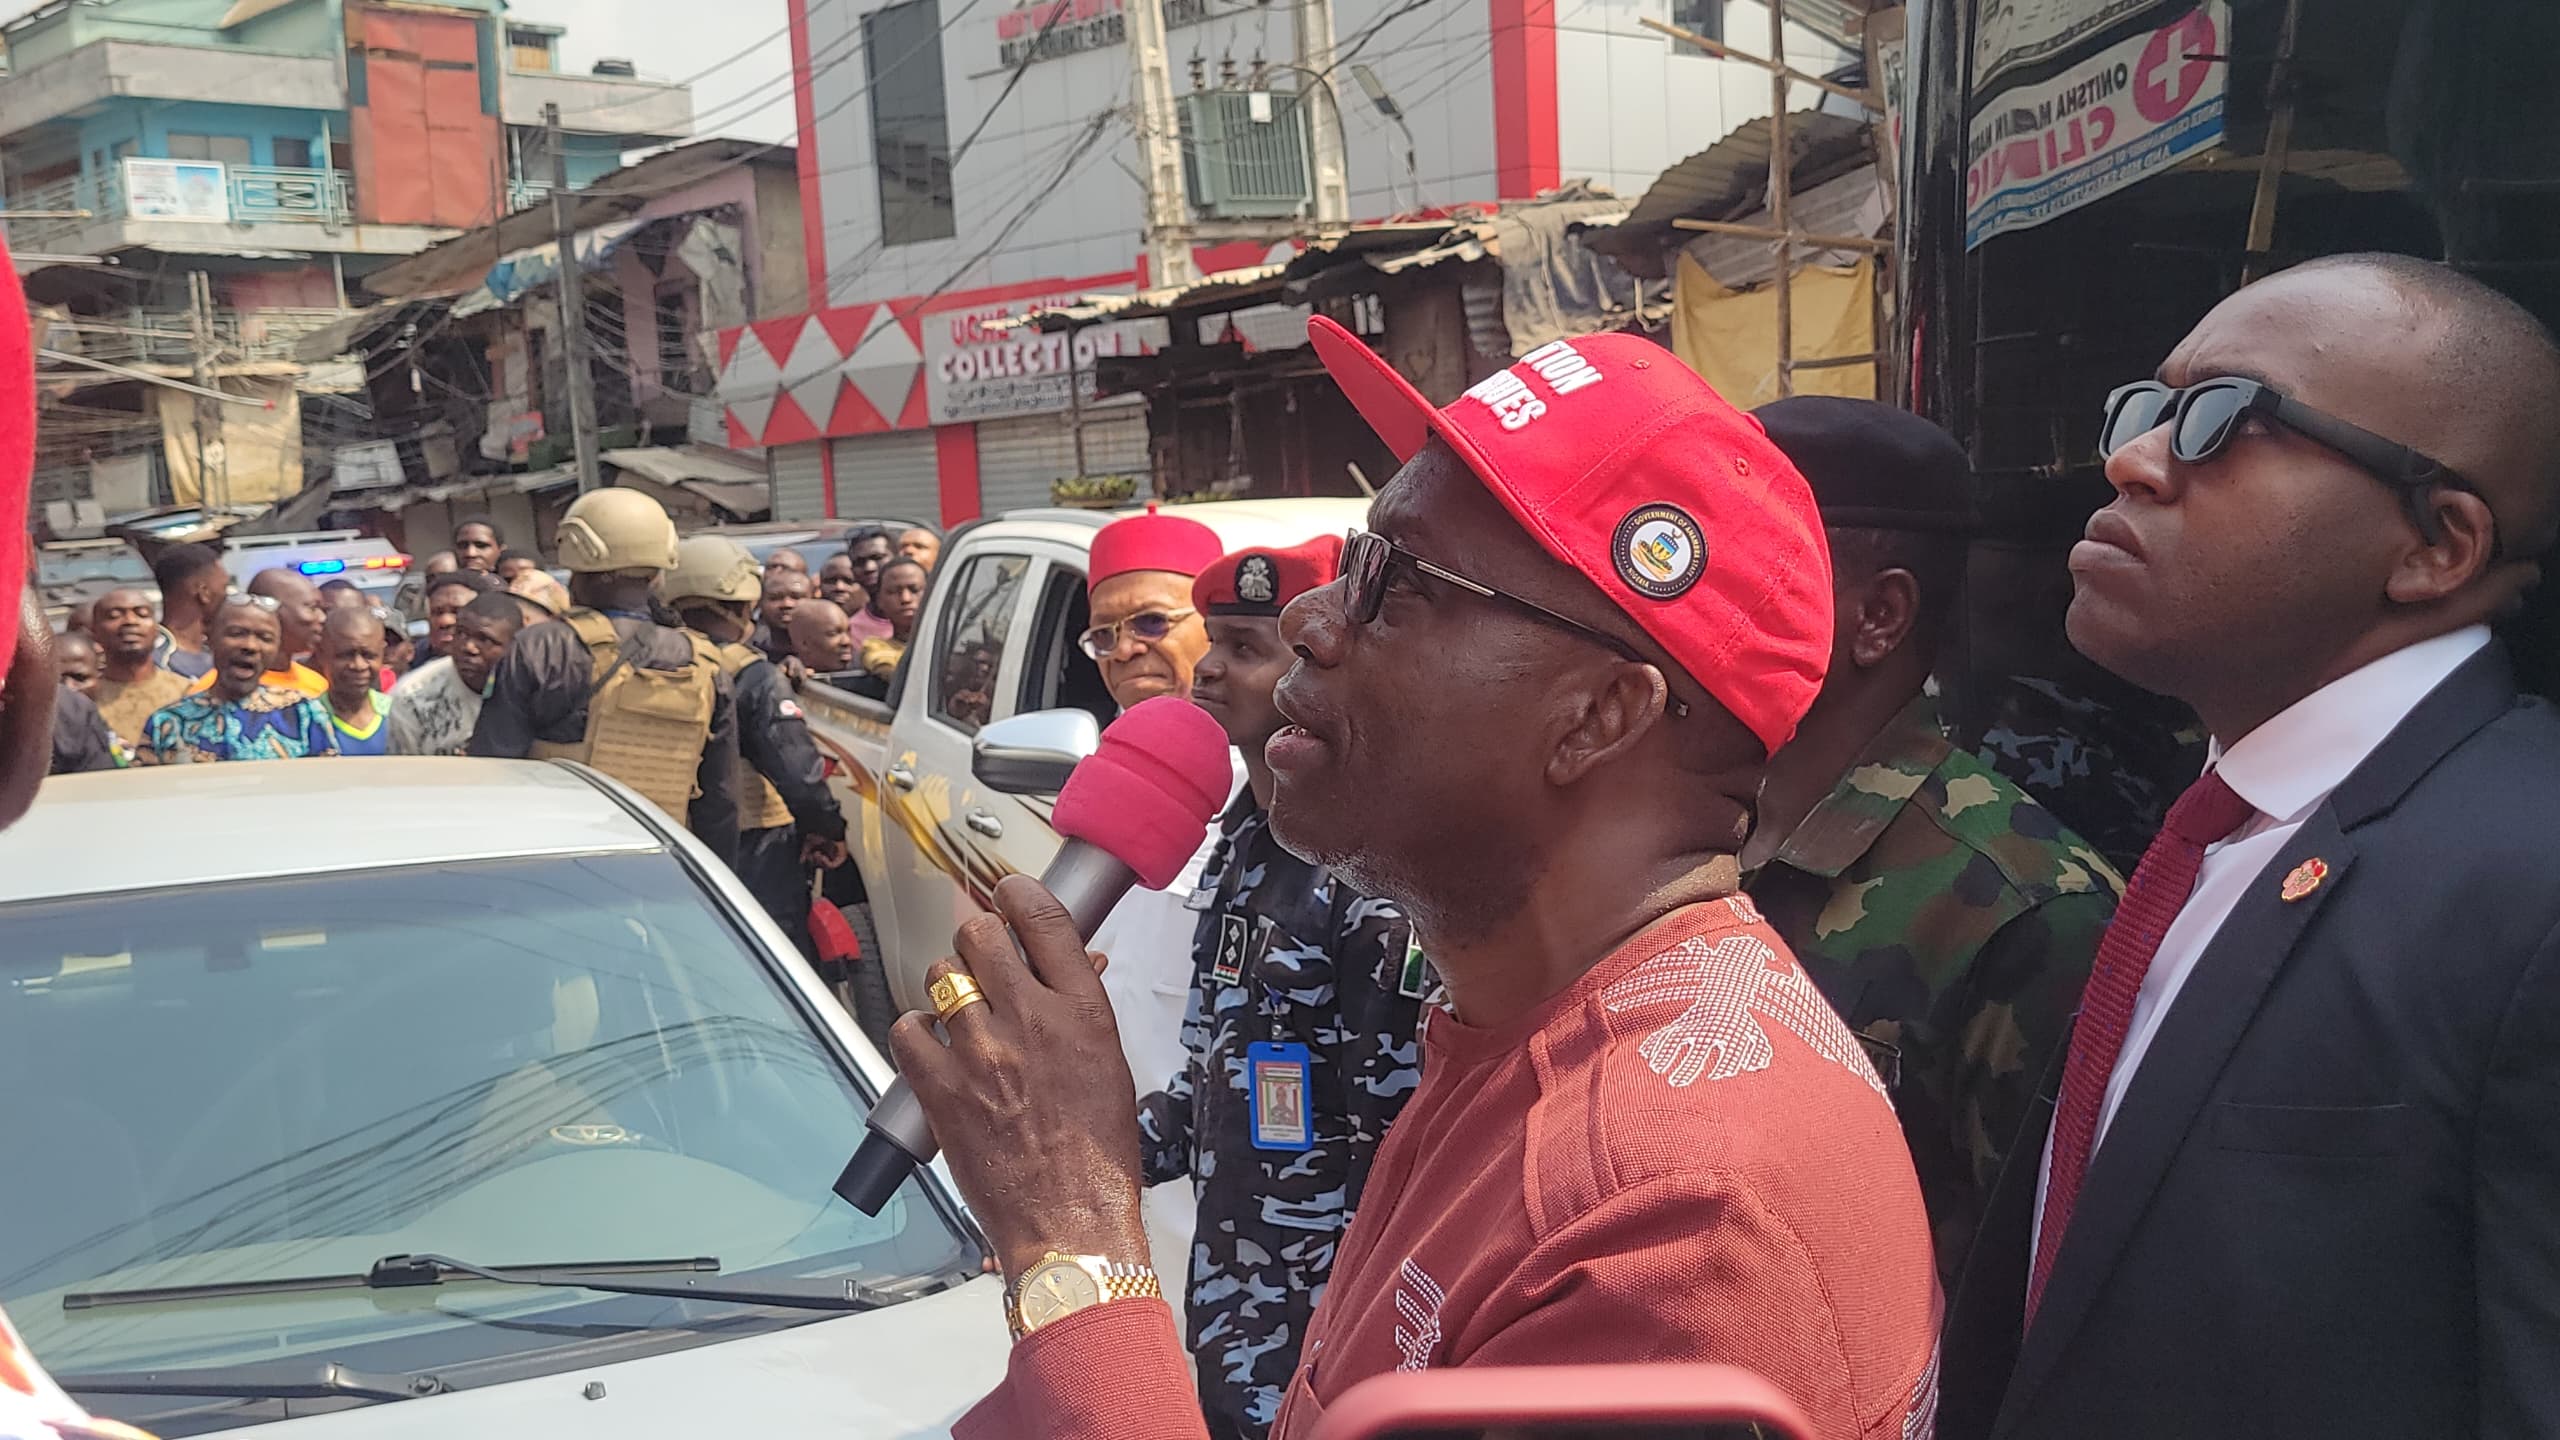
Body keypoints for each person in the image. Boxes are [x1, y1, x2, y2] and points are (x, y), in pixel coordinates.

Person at [905, 320, 1938, 1440]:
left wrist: (1073, 1244)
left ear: (1599, 716)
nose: (1309, 620)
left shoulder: (1675, 1218)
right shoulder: (1529, 1033)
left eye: (1397, 585)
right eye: (1354, 564)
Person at [1938, 255, 2560, 1440]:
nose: (2131, 460)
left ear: (2437, 546)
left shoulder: (2527, 885)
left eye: (2226, 421)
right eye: (2148, 408)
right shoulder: (2223, 834)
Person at [1741, 396, 2121, 1289]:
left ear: (1878, 616)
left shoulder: (2029, 913)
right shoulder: (1680, 819)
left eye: (1743, 563)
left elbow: (2041, 1286)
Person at [1137, 538, 1427, 1440]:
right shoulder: (1246, 839)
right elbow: (1210, 1070)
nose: (1208, 669)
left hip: (1337, 1331)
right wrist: (1076, 1154)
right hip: (1237, 1308)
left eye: (1247, 648)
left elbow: (1407, 1135)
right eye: (1211, 640)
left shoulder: (1371, 868)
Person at [469, 487, 739, 859]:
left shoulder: (539, 647)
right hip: (663, 864)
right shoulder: (705, 662)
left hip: (557, 859)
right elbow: (720, 799)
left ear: (579, 568)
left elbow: (494, 769)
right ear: (658, 573)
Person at [666, 535, 850, 960]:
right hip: (755, 848)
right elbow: (799, 775)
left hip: (669, 836)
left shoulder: (652, 661)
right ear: (744, 601)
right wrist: (829, 829)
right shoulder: (753, 673)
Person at [141, 596, 337, 763]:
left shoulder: (303, 712)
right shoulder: (168, 722)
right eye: (237, 634)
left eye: (265, 638)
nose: (250, 646)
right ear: (210, 638)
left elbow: (327, 787)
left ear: (277, 647)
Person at [389, 592, 519, 757]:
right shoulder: (411, 697)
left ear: (513, 645)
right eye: (462, 634)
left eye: (484, 640)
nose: (468, 647)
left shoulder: (531, 687)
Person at [184, 569, 327, 698]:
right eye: (312, 608)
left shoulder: (318, 685)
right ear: (273, 613)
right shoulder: (210, 693)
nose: (322, 618)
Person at [89, 587, 187, 753]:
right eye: (114, 615)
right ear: (94, 631)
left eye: (141, 614)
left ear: (156, 629)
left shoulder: (186, 692)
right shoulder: (84, 700)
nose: (130, 621)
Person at [316, 607, 393, 756]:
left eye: (368, 655)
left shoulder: (397, 715)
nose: (358, 665)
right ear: (321, 654)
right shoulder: (307, 720)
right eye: (345, 655)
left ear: (382, 653)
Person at [147, 542, 225, 680]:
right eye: (224, 587)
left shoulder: (219, 648)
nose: (228, 596)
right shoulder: (159, 660)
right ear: (204, 593)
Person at [857, 557, 927, 681]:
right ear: (879, 601)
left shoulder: (954, 643)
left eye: (914, 590)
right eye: (894, 591)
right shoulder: (875, 647)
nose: (905, 599)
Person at [419, 569, 500, 664]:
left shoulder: (508, 668)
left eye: (457, 611)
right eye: (437, 612)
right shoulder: (412, 667)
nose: (445, 621)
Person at [842, 527, 898, 642]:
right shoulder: (852, 631)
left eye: (877, 558)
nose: (869, 568)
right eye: (859, 562)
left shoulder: (927, 614)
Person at [788, 597, 856, 674]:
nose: (846, 641)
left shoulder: (865, 671)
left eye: (848, 632)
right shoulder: (779, 679)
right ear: (803, 643)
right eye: (832, 634)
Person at [758, 569, 813, 658]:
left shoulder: (830, 648)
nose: (786, 604)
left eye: (796, 597)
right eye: (775, 598)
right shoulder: (745, 648)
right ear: (760, 602)